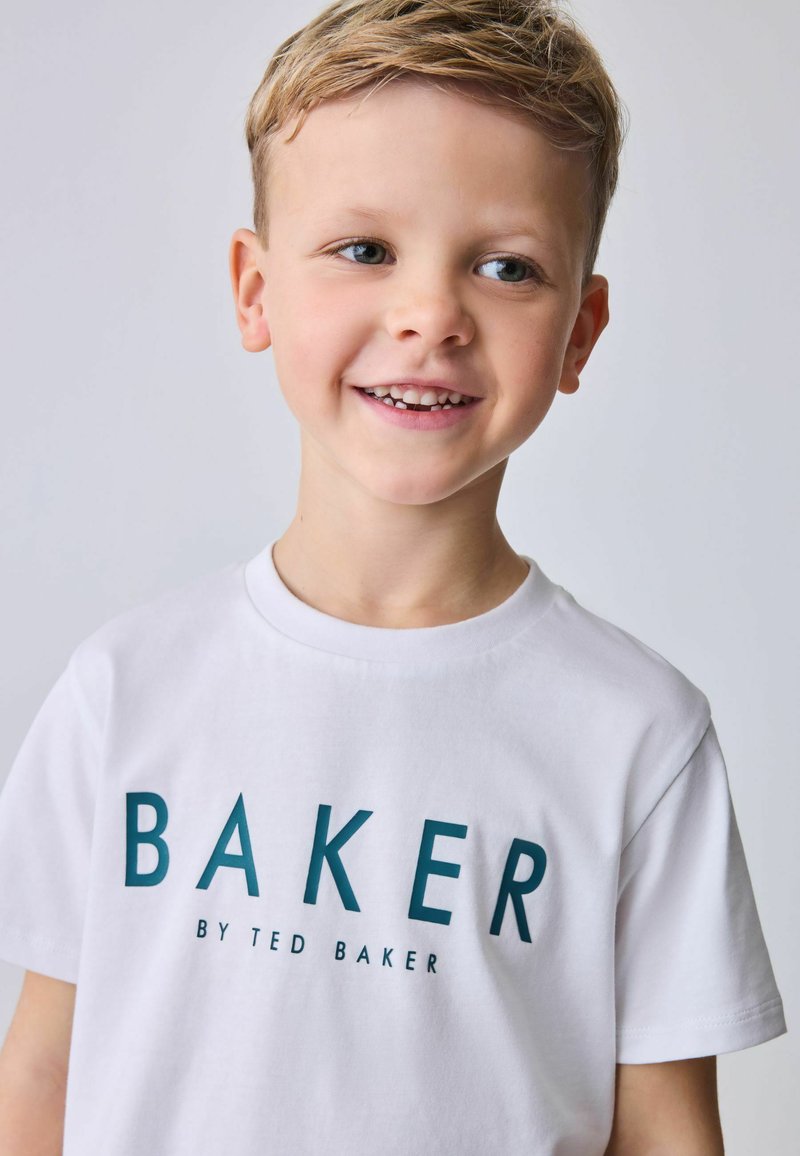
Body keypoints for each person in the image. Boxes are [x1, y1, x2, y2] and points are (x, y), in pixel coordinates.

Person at [0, 0, 787, 1152]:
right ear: (254, 289)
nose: (429, 315)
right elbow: (41, 1069)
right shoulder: (124, 689)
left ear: (579, 331)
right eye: (364, 250)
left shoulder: (635, 734)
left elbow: (663, 1129)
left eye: (506, 266)